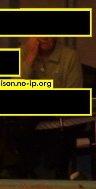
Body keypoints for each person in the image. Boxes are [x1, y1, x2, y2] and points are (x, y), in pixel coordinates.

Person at [16, 37, 84, 179]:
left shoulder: (69, 56)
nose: (45, 37)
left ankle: (27, 170)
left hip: (57, 116)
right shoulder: (22, 53)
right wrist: (30, 59)